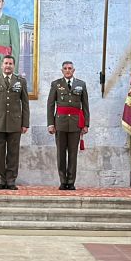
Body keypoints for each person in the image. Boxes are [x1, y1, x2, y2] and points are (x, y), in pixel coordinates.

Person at [0, 54, 30, 189]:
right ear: (1, 65)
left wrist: (25, 123)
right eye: (6, 63)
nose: (8, 66)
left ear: (13, 66)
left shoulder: (20, 81)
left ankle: (11, 180)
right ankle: (0, 180)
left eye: (10, 64)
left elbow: (25, 103)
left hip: (15, 123)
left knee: (13, 153)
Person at [46, 60, 90, 190]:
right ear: (62, 70)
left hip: (76, 124)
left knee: (72, 154)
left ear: (73, 70)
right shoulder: (56, 84)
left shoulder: (81, 84)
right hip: (60, 123)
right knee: (61, 153)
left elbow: (85, 105)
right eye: (65, 68)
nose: (67, 70)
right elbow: (50, 105)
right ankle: (62, 180)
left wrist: (86, 124)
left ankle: (71, 181)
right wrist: (50, 123)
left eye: (70, 68)